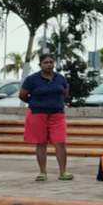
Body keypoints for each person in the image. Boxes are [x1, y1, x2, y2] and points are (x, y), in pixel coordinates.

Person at [19, 53, 71, 181]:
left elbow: (65, 93)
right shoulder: (32, 79)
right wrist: (36, 103)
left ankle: (63, 171)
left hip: (57, 114)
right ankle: (43, 171)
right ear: (40, 64)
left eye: (51, 62)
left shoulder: (60, 78)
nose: (49, 65)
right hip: (38, 114)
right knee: (41, 143)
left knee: (60, 142)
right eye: (45, 62)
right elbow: (23, 95)